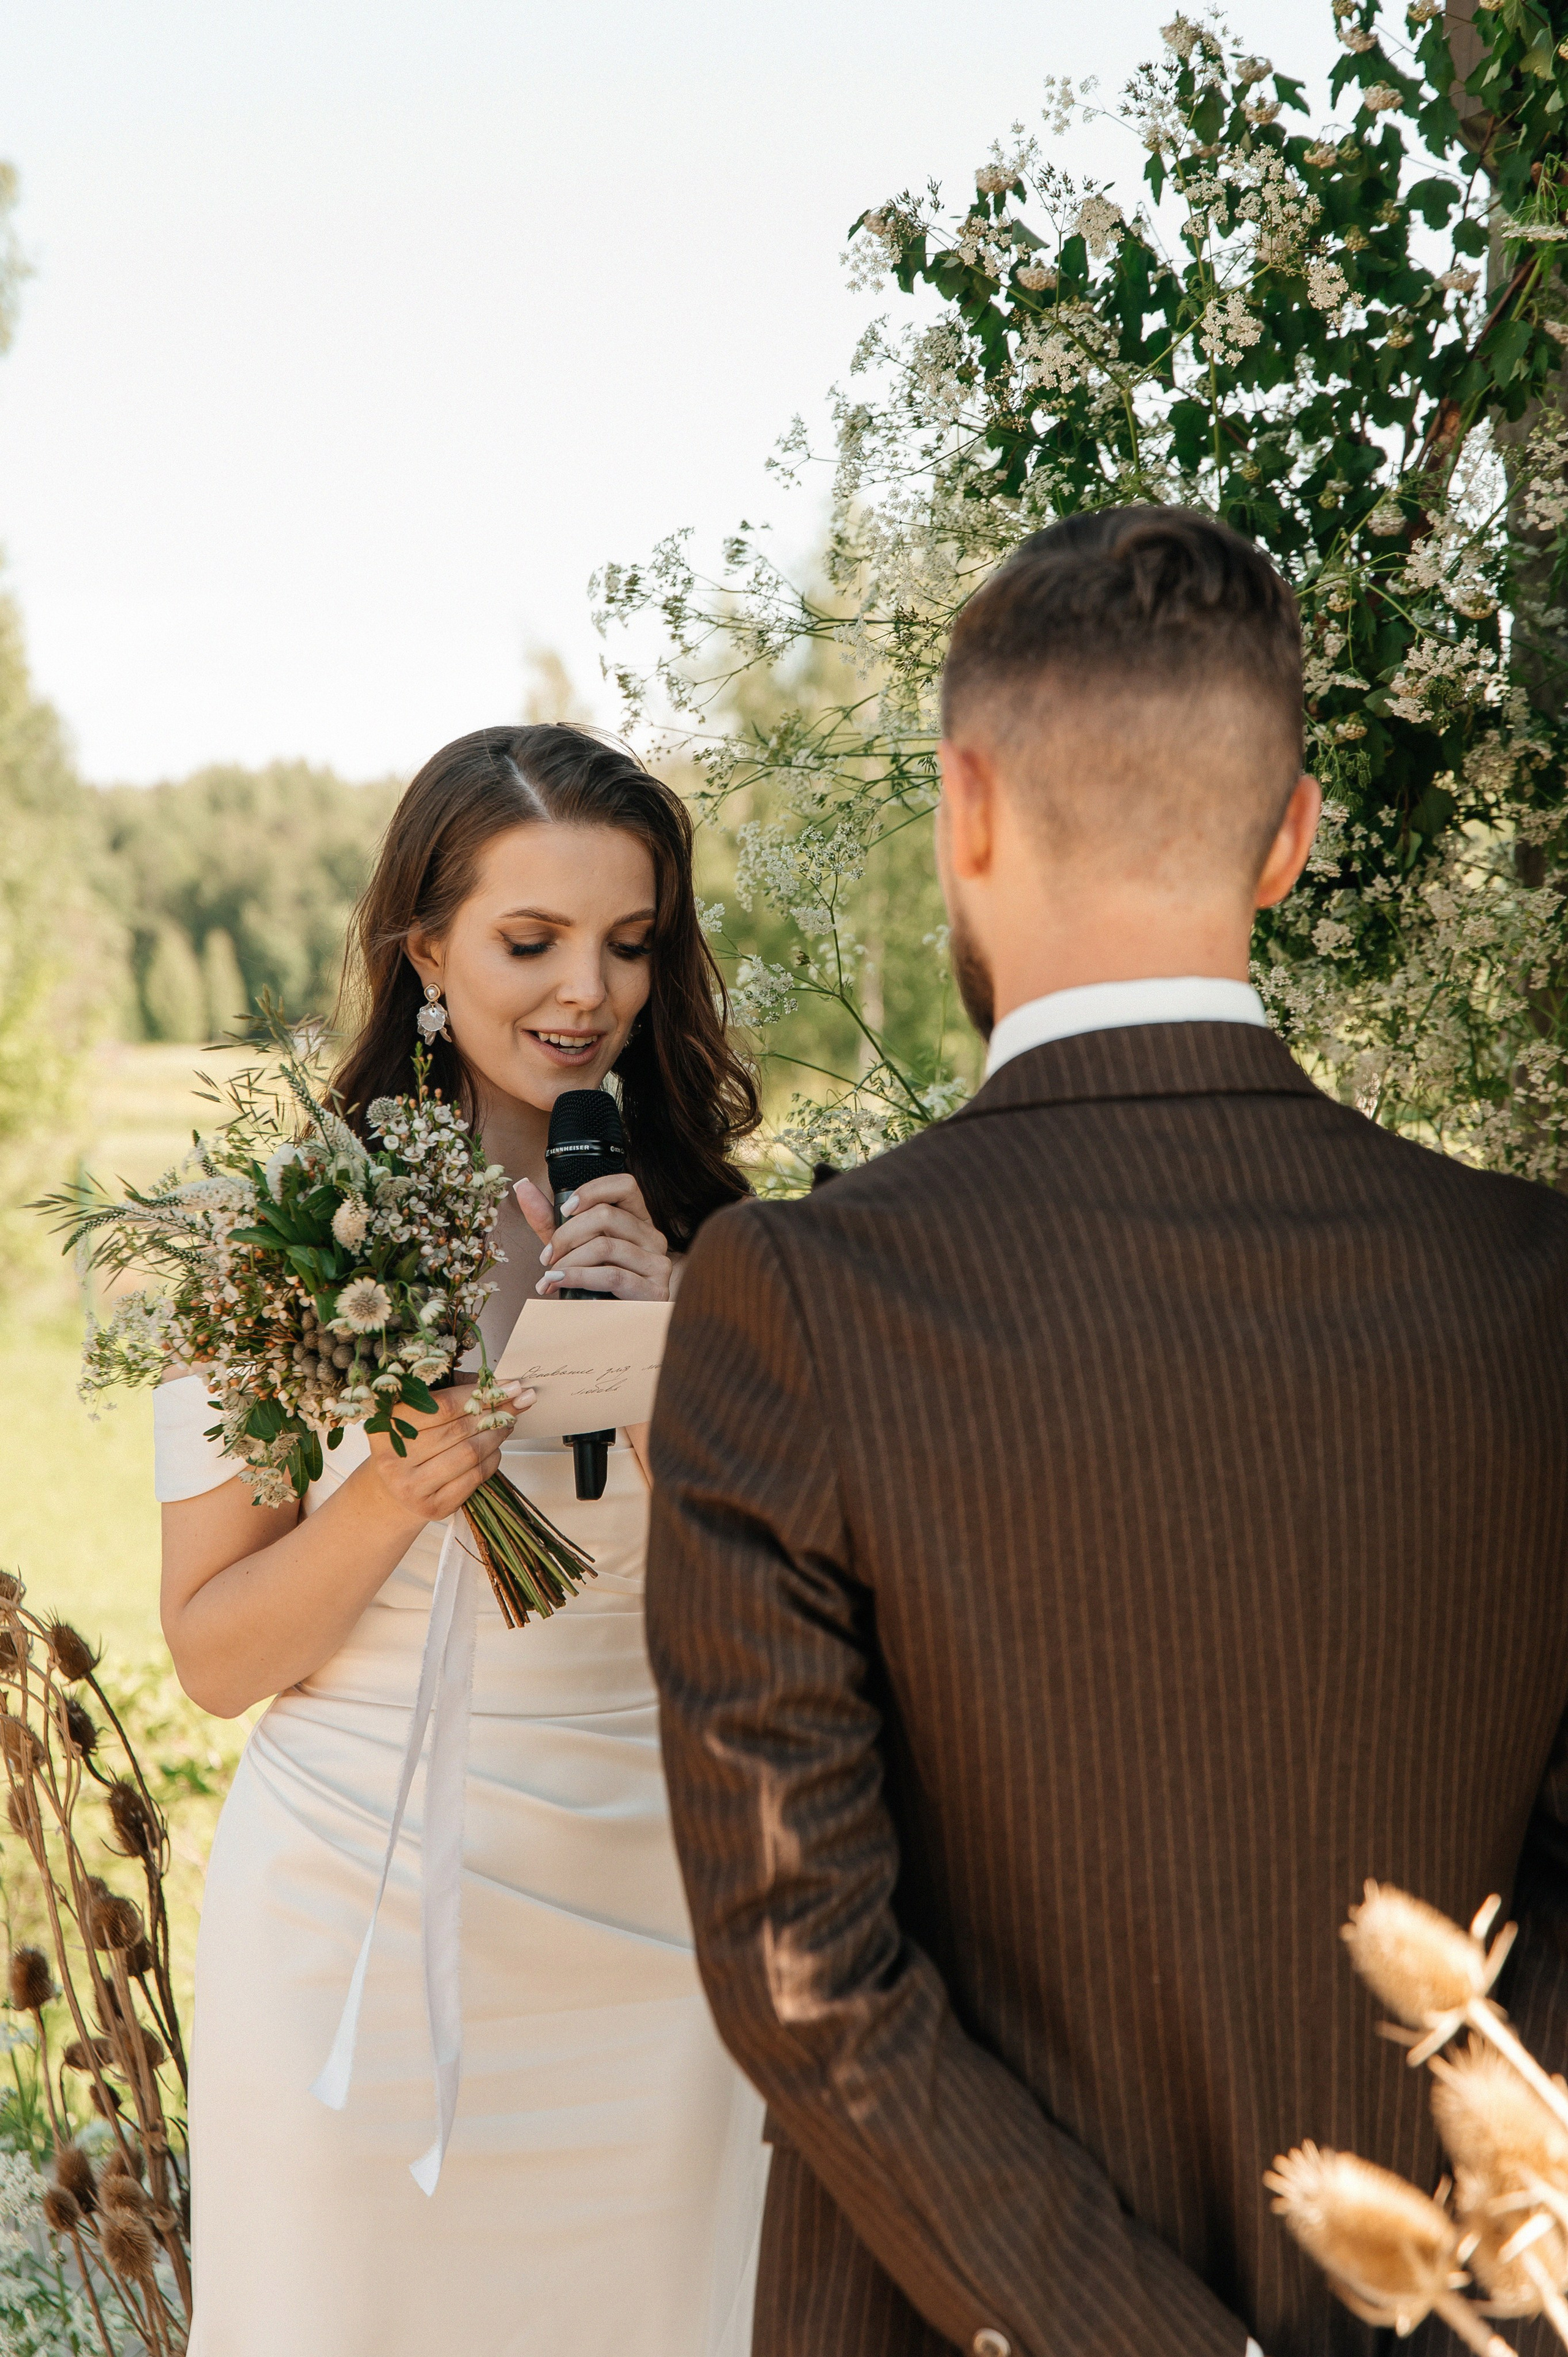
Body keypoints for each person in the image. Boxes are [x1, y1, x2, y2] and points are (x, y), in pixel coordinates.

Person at [644, 509, 1568, 2357]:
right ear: (1292, 836)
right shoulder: (1534, 1279)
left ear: (962, 810)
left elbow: (803, 1967)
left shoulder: (797, 1299)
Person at [156, 724, 771, 2356]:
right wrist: (386, 1496)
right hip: (357, 1927)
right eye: (532, 941)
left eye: (631, 944)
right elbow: (214, 1659)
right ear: (424, 947)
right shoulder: (281, 1238)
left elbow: (789, 1610)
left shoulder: (723, 1243)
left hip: (653, 1936)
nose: (590, 991)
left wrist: (675, 1362)